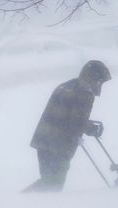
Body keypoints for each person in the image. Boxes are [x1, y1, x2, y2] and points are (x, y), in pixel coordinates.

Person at [23, 60, 111, 192]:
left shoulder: (67, 86)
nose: (100, 85)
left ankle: (24, 201)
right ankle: (19, 201)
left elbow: (67, 116)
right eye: (100, 81)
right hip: (59, 145)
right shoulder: (85, 93)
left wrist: (86, 126)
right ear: (94, 78)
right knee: (53, 185)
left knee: (48, 182)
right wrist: (91, 128)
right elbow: (75, 122)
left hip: (43, 140)